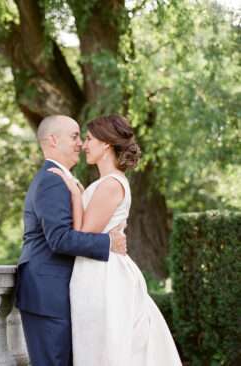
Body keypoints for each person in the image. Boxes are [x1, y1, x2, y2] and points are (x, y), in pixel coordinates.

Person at [49, 114, 181, 366]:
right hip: (95, 270)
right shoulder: (104, 183)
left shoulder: (110, 185)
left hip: (105, 276)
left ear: (106, 144)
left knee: (107, 346)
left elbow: (82, 235)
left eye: (88, 139)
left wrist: (75, 194)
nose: (84, 145)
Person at [15, 115, 128, 366]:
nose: (81, 144)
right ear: (53, 140)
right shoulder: (52, 180)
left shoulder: (62, 179)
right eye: (75, 136)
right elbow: (59, 239)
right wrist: (107, 243)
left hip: (56, 293)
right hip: (48, 295)